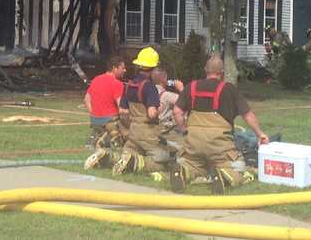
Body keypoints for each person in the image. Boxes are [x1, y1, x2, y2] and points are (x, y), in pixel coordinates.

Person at [172, 55, 269, 193]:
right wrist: (260, 134)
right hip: (219, 146)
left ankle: (184, 171)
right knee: (239, 166)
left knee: (193, 164)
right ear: (222, 72)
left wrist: (184, 129)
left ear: (205, 70)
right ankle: (225, 175)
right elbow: (247, 115)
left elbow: (177, 111)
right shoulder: (229, 89)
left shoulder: (191, 87)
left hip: (193, 143)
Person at [112, 46, 173, 176]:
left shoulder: (128, 85)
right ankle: (135, 164)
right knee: (165, 160)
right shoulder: (149, 87)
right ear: (154, 68)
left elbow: (123, 111)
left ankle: (108, 156)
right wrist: (159, 110)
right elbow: (151, 114)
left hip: (133, 131)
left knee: (127, 154)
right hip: (149, 133)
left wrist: (130, 125)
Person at [83, 56, 127, 167]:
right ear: (114, 68)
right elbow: (121, 108)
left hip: (95, 121)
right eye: (122, 68)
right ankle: (105, 141)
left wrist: (93, 113)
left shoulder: (96, 79)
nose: (125, 70)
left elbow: (86, 99)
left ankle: (98, 138)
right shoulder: (118, 84)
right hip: (110, 122)